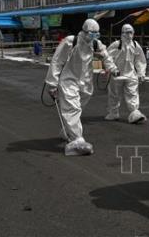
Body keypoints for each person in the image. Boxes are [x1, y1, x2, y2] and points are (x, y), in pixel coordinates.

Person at [45, 19, 119, 156]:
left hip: (85, 82)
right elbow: (57, 61)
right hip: (68, 80)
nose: (94, 37)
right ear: (84, 31)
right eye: (92, 34)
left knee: (78, 108)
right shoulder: (70, 42)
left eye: (97, 34)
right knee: (73, 108)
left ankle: (67, 130)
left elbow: (106, 56)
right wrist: (53, 83)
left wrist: (113, 69)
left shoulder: (96, 44)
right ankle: (77, 140)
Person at [105, 24, 147, 124]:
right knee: (114, 95)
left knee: (133, 94)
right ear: (122, 33)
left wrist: (141, 73)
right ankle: (113, 113)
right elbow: (107, 58)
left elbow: (140, 60)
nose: (129, 35)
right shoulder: (116, 44)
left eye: (131, 32)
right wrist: (112, 68)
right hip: (117, 75)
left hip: (131, 74)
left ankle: (135, 113)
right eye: (127, 32)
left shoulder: (136, 45)